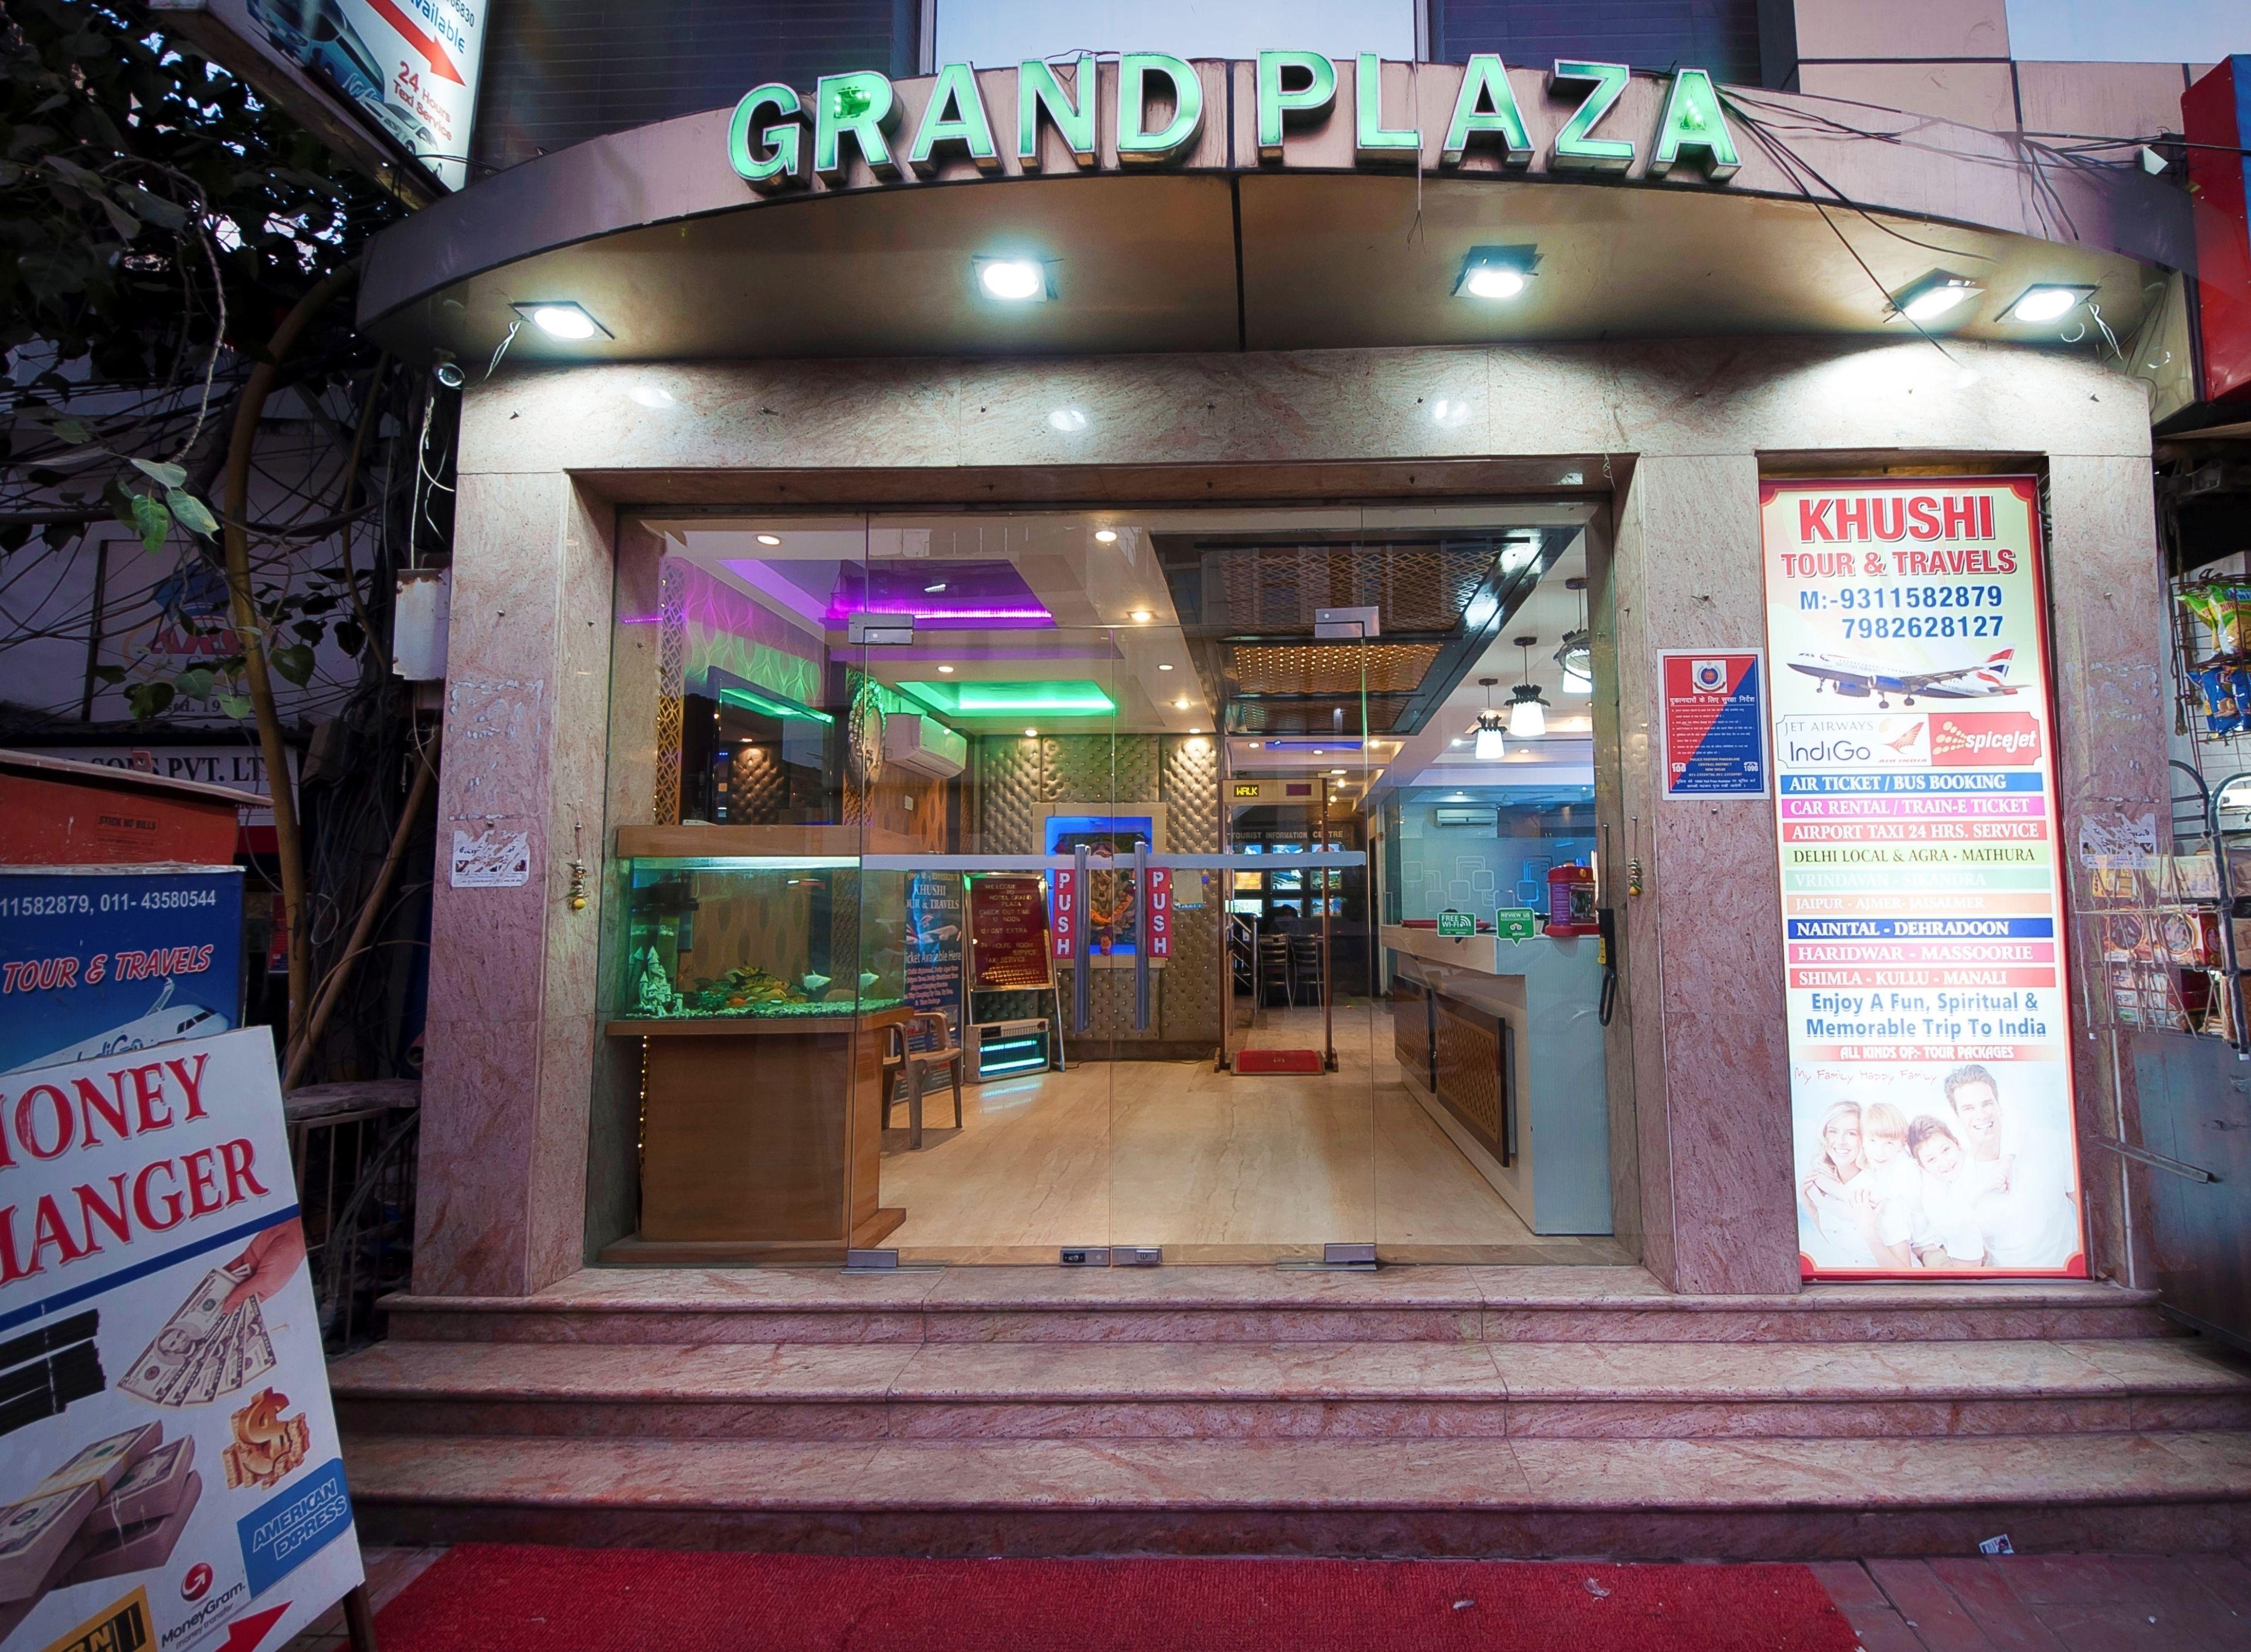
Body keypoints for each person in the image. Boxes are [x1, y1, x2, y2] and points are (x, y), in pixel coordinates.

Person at [1943, 1063, 2079, 1269]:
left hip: (2069, 1279)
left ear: (1999, 1106)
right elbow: (1966, 1269)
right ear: (1957, 1118)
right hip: (2009, 1285)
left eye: (1987, 1104)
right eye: (1968, 1108)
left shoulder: (2051, 1143)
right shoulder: (1960, 1185)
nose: (1981, 1115)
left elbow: (2088, 1211)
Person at [1799, 1100, 1881, 1267]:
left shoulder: (1875, 1185)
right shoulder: (1824, 1184)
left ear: (1864, 1139)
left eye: (1851, 1133)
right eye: (1833, 1132)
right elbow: (1837, 1243)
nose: (1841, 1141)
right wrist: (1809, 1206)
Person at [1905, 1114, 1989, 1269]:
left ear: (1956, 1143)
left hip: (1978, 1242)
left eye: (1946, 1150)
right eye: (1931, 1160)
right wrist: (1978, 1192)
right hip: (1937, 1247)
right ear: (1922, 1166)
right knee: (1964, 1233)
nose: (1944, 1163)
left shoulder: (1974, 1158)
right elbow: (1951, 1228)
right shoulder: (1931, 1189)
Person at [1844, 1101, 1920, 1270]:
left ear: (1903, 1143)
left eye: (1889, 1143)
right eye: (1873, 1141)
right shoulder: (1874, 1170)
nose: (1880, 1151)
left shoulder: (1906, 1169)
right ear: (1863, 1140)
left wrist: (1823, 1192)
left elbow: (1871, 1198)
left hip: (1926, 1242)